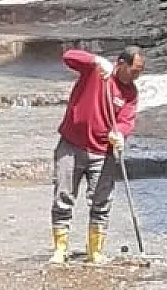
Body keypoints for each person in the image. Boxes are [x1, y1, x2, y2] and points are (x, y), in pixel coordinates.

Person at [48, 46, 146, 264]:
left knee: (101, 202)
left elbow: (126, 119)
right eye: (134, 71)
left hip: (102, 152)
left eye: (139, 73)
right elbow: (68, 57)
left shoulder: (131, 93)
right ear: (121, 63)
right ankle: (60, 249)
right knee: (63, 197)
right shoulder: (97, 72)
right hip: (71, 145)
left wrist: (120, 134)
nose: (136, 77)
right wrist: (95, 60)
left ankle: (95, 251)